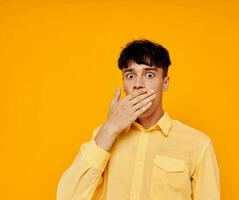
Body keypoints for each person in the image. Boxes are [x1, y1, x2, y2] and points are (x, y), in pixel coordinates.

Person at [56, 39, 220, 200]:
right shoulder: (104, 136)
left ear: (165, 83)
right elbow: (66, 196)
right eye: (130, 75)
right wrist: (109, 128)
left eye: (149, 74)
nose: (138, 84)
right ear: (124, 82)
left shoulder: (198, 145)